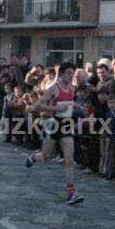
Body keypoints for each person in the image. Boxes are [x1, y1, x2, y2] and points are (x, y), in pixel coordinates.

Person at [25, 62, 84, 205]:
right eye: (69, 73)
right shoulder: (53, 89)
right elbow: (37, 105)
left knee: (69, 159)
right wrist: (54, 108)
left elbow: (68, 103)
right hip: (53, 123)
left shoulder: (71, 88)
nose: (71, 76)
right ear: (62, 73)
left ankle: (71, 193)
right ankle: (35, 156)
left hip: (66, 124)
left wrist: (76, 105)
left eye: (73, 73)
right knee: (47, 157)